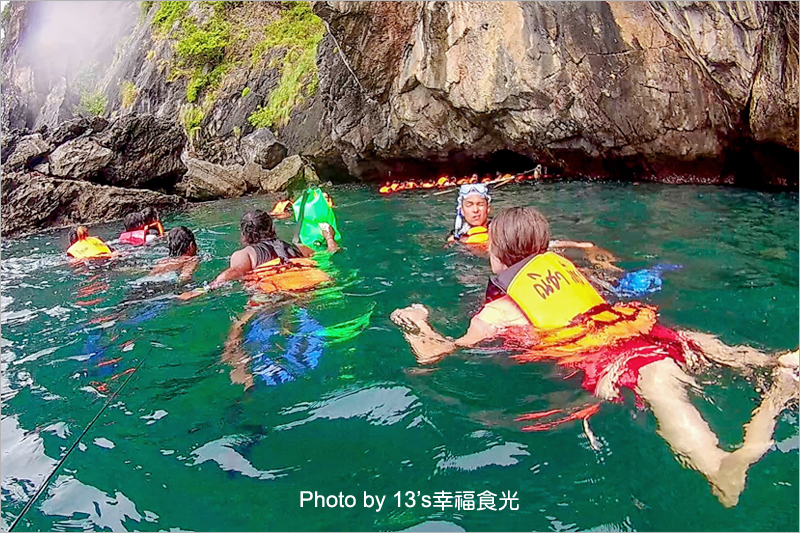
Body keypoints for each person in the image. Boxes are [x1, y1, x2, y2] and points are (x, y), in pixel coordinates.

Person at [392, 206, 798, 508]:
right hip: (636, 326)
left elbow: (436, 355)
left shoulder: (497, 312)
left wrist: (415, 324)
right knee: (693, 345)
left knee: (686, 426)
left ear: (497, 254)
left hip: (614, 359)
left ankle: (720, 464)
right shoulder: (567, 271)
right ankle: (770, 365)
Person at [209, 209, 338, 291]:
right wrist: (329, 237)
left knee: (237, 327)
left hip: (273, 294)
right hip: (311, 287)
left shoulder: (245, 254)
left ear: (244, 235)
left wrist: (207, 288)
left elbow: (233, 272)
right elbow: (331, 253)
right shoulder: (300, 248)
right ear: (272, 229)